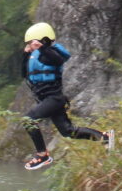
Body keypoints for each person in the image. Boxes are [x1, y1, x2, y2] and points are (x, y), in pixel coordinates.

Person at [21, 22, 114, 170]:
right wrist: (26, 55)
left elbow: (58, 60)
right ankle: (105, 137)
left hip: (54, 98)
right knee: (68, 131)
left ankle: (42, 154)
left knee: (28, 120)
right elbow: (24, 74)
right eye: (30, 43)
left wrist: (43, 48)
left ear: (43, 40)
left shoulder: (50, 53)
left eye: (33, 42)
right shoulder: (35, 55)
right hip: (48, 100)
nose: (31, 45)